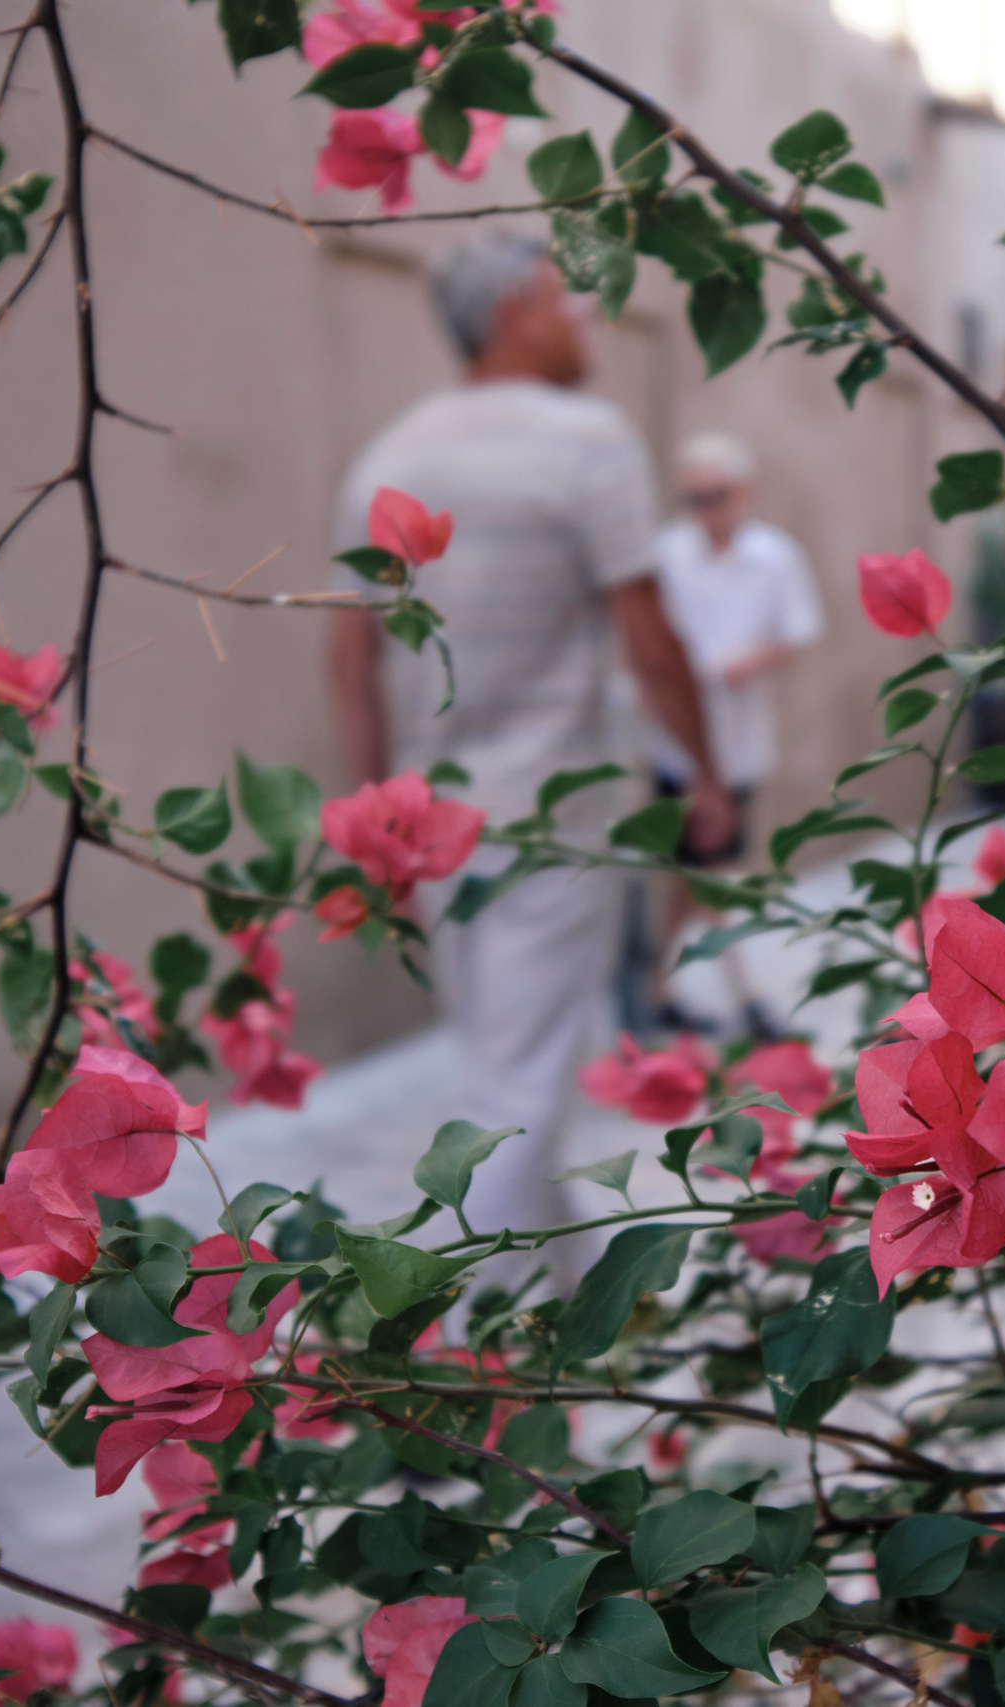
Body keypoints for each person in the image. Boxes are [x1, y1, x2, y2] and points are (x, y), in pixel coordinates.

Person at [326, 233, 734, 1240]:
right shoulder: (586, 441)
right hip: (550, 827)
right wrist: (708, 778)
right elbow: (650, 637)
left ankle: (562, 1289)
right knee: (519, 1085)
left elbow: (349, 661)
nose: (586, 316)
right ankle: (476, 1339)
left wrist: (377, 814)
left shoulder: (389, 455)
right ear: (514, 312)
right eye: (566, 299)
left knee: (508, 1064)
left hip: (431, 826)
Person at [641, 432, 822, 1029]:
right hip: (675, 741)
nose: (704, 510)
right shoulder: (666, 552)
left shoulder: (774, 555)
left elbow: (796, 634)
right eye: (692, 497)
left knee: (696, 871)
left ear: (742, 493)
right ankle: (737, 996)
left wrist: (747, 662)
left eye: (715, 496)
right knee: (701, 870)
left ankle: (656, 988)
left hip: (738, 740)